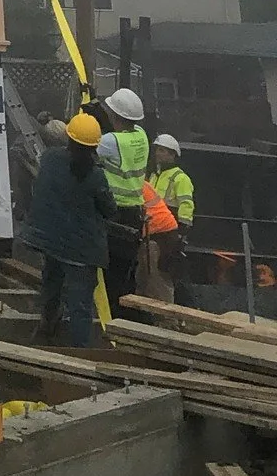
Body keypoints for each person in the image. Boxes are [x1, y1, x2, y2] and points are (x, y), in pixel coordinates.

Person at [20, 109, 114, 349]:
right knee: (80, 304)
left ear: (69, 138)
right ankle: (79, 352)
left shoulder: (50, 158)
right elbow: (110, 210)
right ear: (94, 146)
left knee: (51, 287)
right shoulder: (95, 176)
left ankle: (46, 331)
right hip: (81, 252)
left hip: (51, 243)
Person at [98, 87, 150, 314]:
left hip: (114, 213)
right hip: (134, 215)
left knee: (109, 273)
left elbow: (84, 146)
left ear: (114, 115)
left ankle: (111, 319)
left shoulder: (111, 142)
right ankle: (124, 317)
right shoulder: (141, 135)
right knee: (124, 271)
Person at [149, 133, 196, 302]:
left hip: (170, 231)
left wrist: (181, 232)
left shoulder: (180, 178)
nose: (157, 153)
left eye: (162, 150)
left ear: (172, 154)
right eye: (157, 150)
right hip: (153, 229)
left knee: (165, 272)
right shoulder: (154, 176)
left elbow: (186, 205)